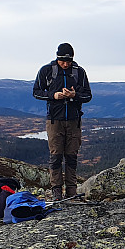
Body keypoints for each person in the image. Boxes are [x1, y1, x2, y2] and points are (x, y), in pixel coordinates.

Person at [33, 43, 92, 201]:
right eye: (63, 61)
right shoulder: (47, 71)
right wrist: (54, 96)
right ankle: (57, 191)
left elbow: (88, 95)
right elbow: (36, 92)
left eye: (69, 61)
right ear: (57, 58)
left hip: (74, 121)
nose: (66, 64)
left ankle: (71, 191)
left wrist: (74, 95)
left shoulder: (79, 72)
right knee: (56, 156)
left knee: (72, 156)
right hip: (55, 121)